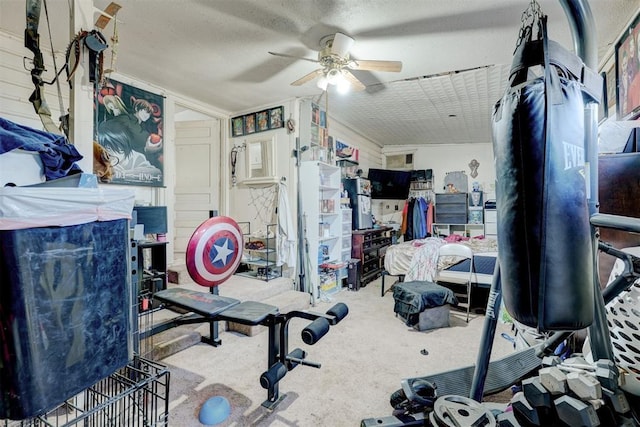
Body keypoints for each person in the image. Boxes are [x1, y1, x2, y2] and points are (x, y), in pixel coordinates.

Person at [97, 121, 162, 184]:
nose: (111, 154)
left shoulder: (136, 157)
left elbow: (156, 173)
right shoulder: (101, 159)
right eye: (107, 148)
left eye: (117, 149)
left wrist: (121, 174)